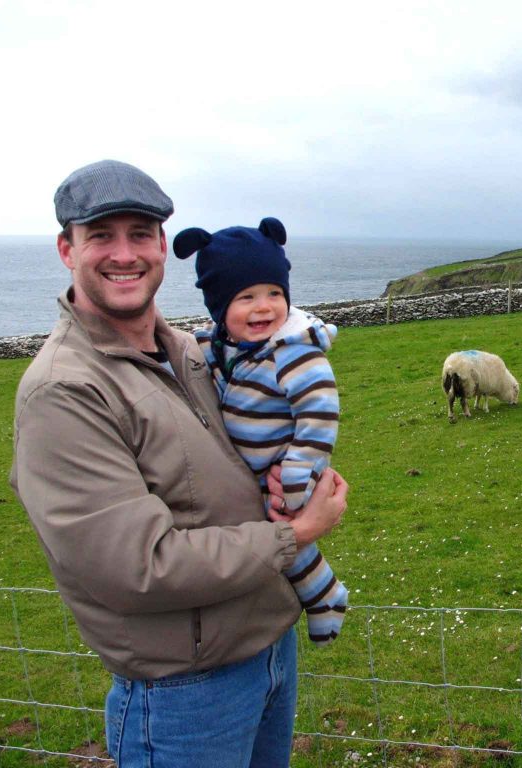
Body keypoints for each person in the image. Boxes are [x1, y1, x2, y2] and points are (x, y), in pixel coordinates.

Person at [9, 159, 348, 768]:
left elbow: (255, 440)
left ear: (164, 246)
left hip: (269, 649)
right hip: (185, 691)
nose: (124, 254)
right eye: (101, 236)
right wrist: (296, 533)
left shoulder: (193, 353)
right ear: (67, 249)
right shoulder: (65, 390)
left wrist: (291, 470)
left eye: (140, 234)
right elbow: (139, 568)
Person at [172, 218, 349, 645]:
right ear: (219, 307)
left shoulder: (293, 353)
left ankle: (325, 596)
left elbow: (320, 414)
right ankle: (320, 596)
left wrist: (297, 472)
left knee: (290, 545)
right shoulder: (222, 349)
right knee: (274, 548)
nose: (264, 307)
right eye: (246, 297)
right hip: (243, 472)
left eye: (274, 293)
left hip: (281, 471)